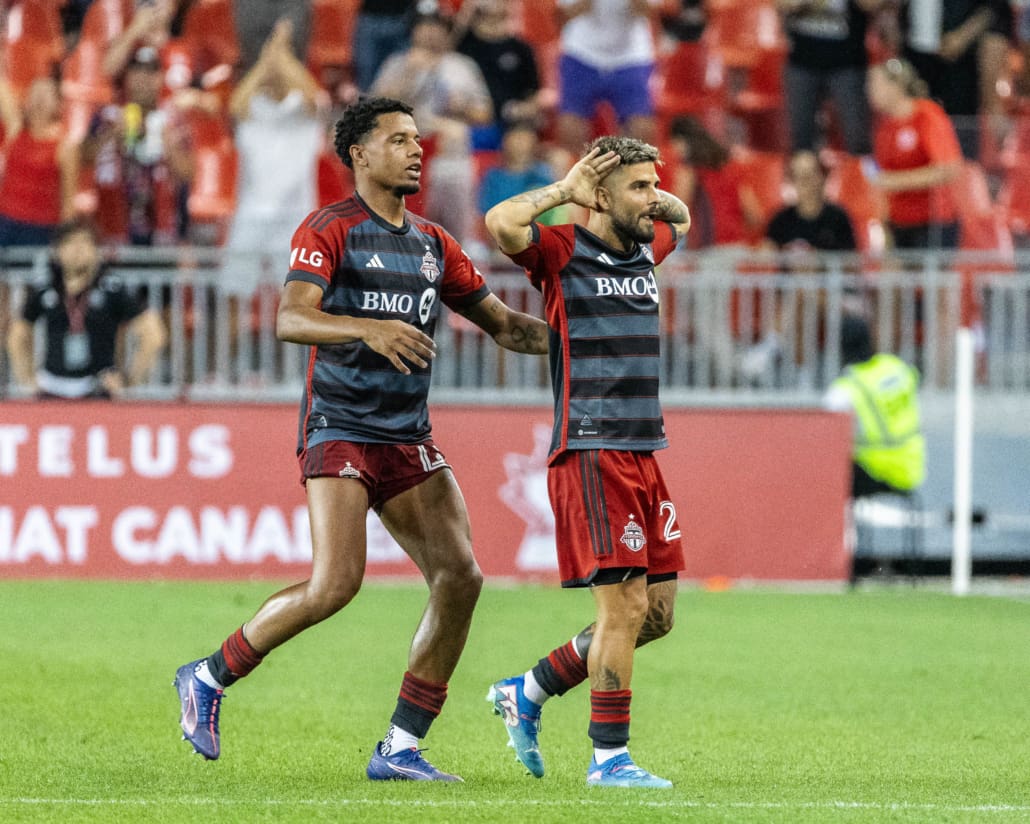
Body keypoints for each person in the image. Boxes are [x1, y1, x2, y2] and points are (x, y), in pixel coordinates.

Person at [173, 96, 549, 781]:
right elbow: (291, 317)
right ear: (360, 154)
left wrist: (585, 343)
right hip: (341, 424)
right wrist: (366, 327)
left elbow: (506, 327)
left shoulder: (435, 245)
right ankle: (206, 674)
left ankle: (401, 747)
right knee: (335, 585)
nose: (416, 150)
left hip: (407, 435)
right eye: (399, 139)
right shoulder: (329, 228)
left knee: (460, 578)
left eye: (417, 139)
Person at [483, 136, 690, 788]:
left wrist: (647, 189)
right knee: (623, 609)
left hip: (642, 451)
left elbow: (679, 218)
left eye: (652, 185)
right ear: (598, 195)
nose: (652, 199)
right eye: (637, 188)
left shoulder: (644, 250)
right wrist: (564, 191)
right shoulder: (564, 252)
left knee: (654, 615)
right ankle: (610, 759)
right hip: (592, 447)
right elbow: (501, 225)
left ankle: (529, 689)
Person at [6, 219, 167, 399]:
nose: (78, 249)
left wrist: (128, 380)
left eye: (85, 242)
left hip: (97, 387)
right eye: (70, 243)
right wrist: (27, 379)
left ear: (95, 250)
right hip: (52, 387)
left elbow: (152, 333)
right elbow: (18, 334)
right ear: (58, 251)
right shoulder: (45, 287)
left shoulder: (112, 288)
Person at [370, 12, 493, 245]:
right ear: (414, 31)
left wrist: (461, 106)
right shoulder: (398, 63)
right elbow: (375, 109)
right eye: (424, 26)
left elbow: (485, 114)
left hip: (451, 159)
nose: (430, 32)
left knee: (457, 241)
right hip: (407, 161)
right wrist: (409, 74)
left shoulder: (462, 66)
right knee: (406, 235)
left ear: (446, 32)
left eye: (436, 26)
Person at [824, 314, 925, 500]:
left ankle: (842, 528)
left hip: (878, 469)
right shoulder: (895, 366)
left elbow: (826, 435)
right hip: (913, 466)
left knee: (823, 472)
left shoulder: (845, 389)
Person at [865, 58, 963, 251]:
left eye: (875, 83)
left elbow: (949, 168)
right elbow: (879, 179)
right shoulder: (883, 128)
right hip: (898, 224)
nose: (869, 90)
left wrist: (894, 181)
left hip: (934, 223)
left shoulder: (927, 115)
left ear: (896, 85)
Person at [776, 0, 887, 156]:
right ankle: (805, 178)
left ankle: (859, 178)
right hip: (802, 62)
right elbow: (781, 4)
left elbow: (872, 5)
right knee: (801, 139)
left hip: (848, 64)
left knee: (857, 137)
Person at [554, 0, 659, 156]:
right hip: (581, 54)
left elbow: (649, 12)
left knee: (641, 131)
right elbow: (564, 15)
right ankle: (581, 175)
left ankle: (628, 175)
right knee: (570, 130)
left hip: (630, 56)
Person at [0, 76, 79, 247]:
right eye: (35, 93)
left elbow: (68, 202)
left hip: (41, 228)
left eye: (45, 94)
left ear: (59, 104)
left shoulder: (65, 146)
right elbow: (2, 87)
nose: (39, 99)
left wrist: (66, 241)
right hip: (5, 222)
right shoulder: (16, 131)